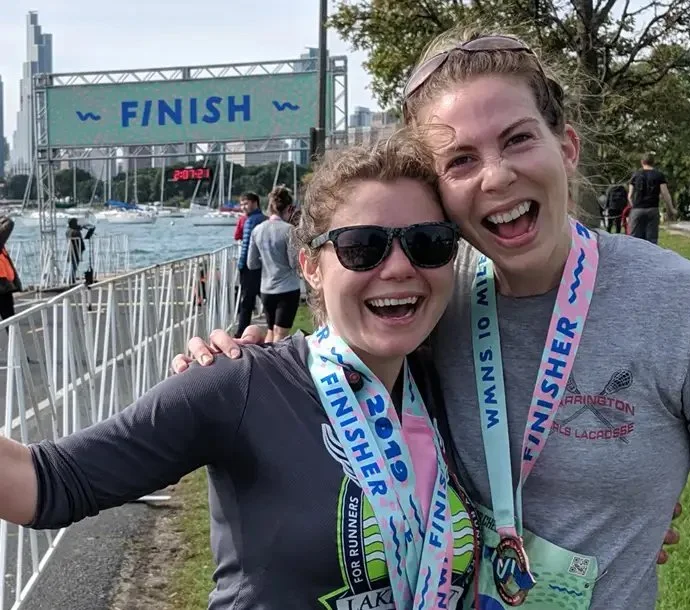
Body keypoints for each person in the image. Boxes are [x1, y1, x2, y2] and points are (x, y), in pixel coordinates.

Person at [175, 28, 690, 610]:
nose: (496, 175)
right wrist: (249, 354)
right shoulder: (429, 304)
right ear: (441, 194)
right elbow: (341, 388)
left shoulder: (688, 307)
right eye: (461, 160)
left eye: (519, 139)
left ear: (567, 147)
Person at [0, 134, 483, 609]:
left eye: (428, 242)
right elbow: (47, 482)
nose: (400, 267)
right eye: (362, 246)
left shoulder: (455, 385)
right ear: (310, 267)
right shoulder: (238, 381)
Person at [247, 186, 302, 342]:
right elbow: (293, 263)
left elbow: (252, 264)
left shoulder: (257, 230)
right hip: (288, 288)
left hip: (267, 289)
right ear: (289, 208)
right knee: (281, 334)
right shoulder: (289, 230)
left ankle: (265, 363)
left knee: (270, 332)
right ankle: (274, 366)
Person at [235, 191, 266, 338]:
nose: (243, 207)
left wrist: (242, 264)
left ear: (255, 203)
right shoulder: (262, 219)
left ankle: (241, 331)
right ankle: (273, 324)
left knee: (246, 299)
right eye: (241, 204)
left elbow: (246, 245)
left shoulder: (251, 221)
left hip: (249, 265)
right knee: (261, 295)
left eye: (246, 203)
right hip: (260, 264)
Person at [628, 153, 677, 243]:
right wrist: (671, 208)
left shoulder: (635, 175)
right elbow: (665, 194)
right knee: (651, 239)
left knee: (635, 239)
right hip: (652, 209)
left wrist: (633, 207)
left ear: (642, 162)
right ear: (653, 162)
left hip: (637, 209)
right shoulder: (659, 175)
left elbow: (630, 195)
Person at [0, 215, 22, 320]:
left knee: (9, 319)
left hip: (4, 285)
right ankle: (12, 336)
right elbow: (9, 223)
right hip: (2, 287)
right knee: (9, 320)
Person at [65, 218, 85, 284]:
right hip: (75, 250)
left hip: (71, 250)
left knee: (73, 265)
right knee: (74, 265)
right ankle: (71, 279)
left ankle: (71, 278)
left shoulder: (68, 230)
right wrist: (79, 229)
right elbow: (77, 235)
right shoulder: (74, 232)